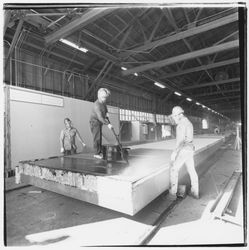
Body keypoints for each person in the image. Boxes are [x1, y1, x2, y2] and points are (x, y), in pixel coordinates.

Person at [169, 106, 199, 200]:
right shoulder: (189, 122)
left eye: (175, 116)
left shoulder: (181, 124)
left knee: (174, 169)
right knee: (191, 170)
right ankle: (195, 192)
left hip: (184, 149)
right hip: (190, 149)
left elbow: (181, 141)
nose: (174, 118)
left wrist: (174, 153)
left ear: (180, 115)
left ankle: (172, 194)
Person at [89, 88, 113, 159]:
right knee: (97, 138)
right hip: (94, 122)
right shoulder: (97, 105)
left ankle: (99, 151)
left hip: (99, 122)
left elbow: (105, 108)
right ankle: (96, 153)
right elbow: (100, 118)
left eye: (105, 97)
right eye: (103, 97)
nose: (104, 99)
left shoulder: (103, 102)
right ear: (98, 96)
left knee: (100, 138)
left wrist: (107, 113)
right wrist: (108, 124)